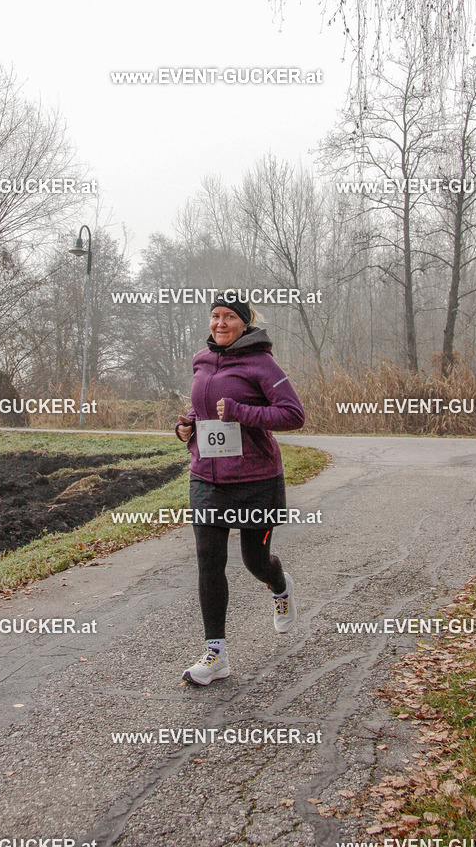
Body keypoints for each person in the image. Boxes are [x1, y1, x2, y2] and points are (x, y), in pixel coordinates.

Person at [175, 292, 306, 685]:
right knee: (208, 563)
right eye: (214, 316)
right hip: (207, 479)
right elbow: (201, 412)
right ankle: (216, 654)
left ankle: (279, 586)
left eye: (229, 317)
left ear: (245, 323)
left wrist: (239, 412)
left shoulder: (262, 363)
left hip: (255, 480)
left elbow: (293, 415)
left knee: (254, 561)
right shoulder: (202, 358)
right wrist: (185, 427)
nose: (220, 323)